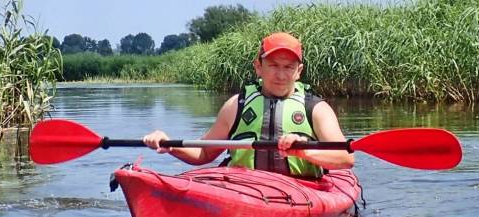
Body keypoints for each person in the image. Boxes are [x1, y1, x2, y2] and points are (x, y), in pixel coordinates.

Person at [142, 32, 354, 178]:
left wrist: (303, 152)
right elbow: (203, 154)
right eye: (273, 65)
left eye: (289, 67)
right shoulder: (236, 105)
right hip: (246, 188)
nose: (280, 75)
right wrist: (169, 144)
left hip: (302, 189)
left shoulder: (316, 109)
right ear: (258, 67)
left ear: (299, 71)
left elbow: (345, 159)